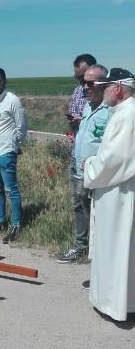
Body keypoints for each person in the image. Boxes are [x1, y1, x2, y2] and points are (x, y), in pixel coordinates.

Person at [83, 68, 135, 322]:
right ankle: (113, 300)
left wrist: (90, 166)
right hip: (114, 189)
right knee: (115, 246)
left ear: (118, 89)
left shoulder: (129, 114)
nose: (101, 91)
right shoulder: (121, 112)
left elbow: (116, 158)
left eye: (105, 87)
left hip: (121, 192)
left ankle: (117, 303)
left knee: (119, 245)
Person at [57, 65, 110, 266]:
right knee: (79, 208)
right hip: (78, 168)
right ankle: (81, 247)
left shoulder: (110, 110)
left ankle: (99, 256)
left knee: (97, 215)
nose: (85, 87)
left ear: (103, 84)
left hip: (96, 174)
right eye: (83, 82)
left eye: (90, 83)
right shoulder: (88, 106)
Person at [0, 68, 28, 244]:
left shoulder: (12, 100)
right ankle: (0, 221)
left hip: (6, 152)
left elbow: (21, 126)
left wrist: (15, 145)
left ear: (5, 81)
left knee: (11, 190)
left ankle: (15, 225)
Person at [67, 54, 96, 136]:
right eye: (77, 77)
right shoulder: (77, 90)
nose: (80, 81)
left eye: (82, 77)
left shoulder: (103, 93)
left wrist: (83, 122)